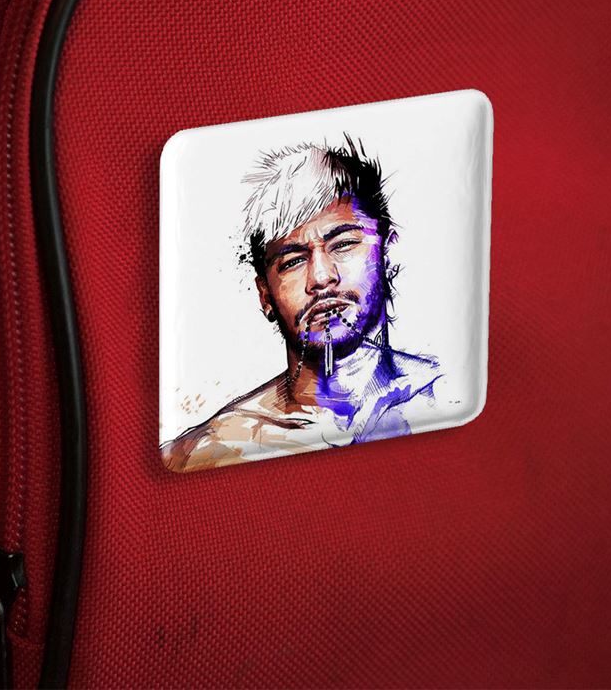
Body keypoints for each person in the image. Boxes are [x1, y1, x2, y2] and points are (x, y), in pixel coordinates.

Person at [161, 135, 442, 472]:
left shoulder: (445, 392)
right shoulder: (213, 448)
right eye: (293, 261)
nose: (321, 277)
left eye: (343, 244)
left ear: (388, 253)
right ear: (265, 294)